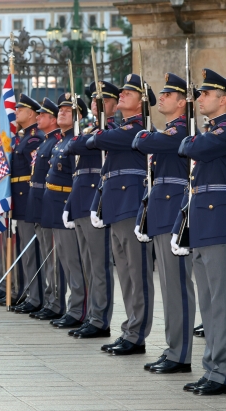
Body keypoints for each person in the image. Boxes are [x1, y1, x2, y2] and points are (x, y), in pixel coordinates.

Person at [86, 74, 156, 356]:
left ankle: (137, 334)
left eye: (130, 92)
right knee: (126, 273)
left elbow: (95, 140)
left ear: (142, 102)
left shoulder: (137, 129)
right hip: (116, 205)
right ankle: (130, 330)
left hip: (131, 204)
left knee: (137, 274)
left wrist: (100, 129)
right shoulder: (122, 127)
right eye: (123, 90)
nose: (123, 94)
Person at [133, 72, 196, 374]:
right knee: (169, 287)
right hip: (161, 211)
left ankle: (180, 354)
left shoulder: (182, 129)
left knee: (177, 287)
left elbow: (143, 142)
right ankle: (173, 349)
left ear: (183, 102)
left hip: (174, 213)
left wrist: (146, 134)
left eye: (169, 95)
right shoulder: (171, 129)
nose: (162, 98)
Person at [171, 68, 226, 395]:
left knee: (220, 304)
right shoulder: (209, 131)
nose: (200, 99)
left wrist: (192, 135)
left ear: (223, 99)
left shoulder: (221, 131)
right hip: (203, 225)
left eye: (205, 94)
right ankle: (213, 369)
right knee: (208, 305)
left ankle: (221, 371)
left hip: (219, 225)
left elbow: (192, 149)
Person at [64, 80, 119, 339]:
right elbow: (72, 146)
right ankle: (90, 314)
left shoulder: (114, 129)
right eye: (95, 101)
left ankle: (100, 320)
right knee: (87, 263)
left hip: (98, 201)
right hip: (82, 200)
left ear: (114, 105)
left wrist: (94, 135)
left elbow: (81, 145)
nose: (97, 105)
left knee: (99, 265)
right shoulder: (91, 129)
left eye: (104, 101)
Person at [42, 93, 88, 330]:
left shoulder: (76, 141)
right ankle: (73, 307)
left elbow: (76, 179)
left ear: (79, 116)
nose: (61, 112)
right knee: (65, 261)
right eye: (60, 109)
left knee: (73, 261)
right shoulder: (62, 141)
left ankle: (78, 309)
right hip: (54, 205)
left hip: (66, 205)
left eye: (68, 110)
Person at [0, 95, 43, 308]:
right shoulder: (23, 137)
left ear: (32, 113)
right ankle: (23, 291)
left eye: (20, 108)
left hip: (27, 199)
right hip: (17, 199)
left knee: (30, 251)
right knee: (21, 249)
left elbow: (36, 172)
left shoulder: (35, 139)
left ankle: (34, 296)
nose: (16, 111)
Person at [18, 98, 61, 316]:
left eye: (42, 115)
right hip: (36, 199)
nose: (38, 118)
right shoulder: (45, 141)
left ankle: (54, 302)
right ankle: (47, 300)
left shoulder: (49, 141)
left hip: (47, 201)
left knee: (51, 256)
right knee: (46, 254)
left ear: (52, 120)